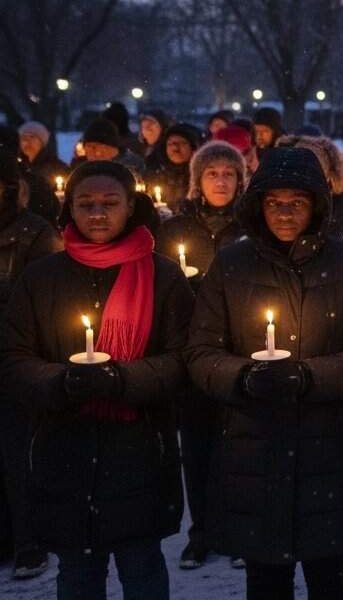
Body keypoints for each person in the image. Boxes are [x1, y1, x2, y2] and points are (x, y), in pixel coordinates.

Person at [185, 147, 343, 600]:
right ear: (257, 204)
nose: (285, 212)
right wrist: (244, 376)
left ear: (317, 203)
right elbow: (200, 351)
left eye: (297, 201)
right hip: (254, 444)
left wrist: (310, 377)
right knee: (266, 575)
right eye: (274, 202)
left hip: (329, 443)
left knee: (330, 572)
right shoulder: (232, 265)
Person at [0, 161, 193, 599]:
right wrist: (62, 381)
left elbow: (183, 359)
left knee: (142, 567)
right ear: (70, 207)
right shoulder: (42, 277)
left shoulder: (162, 276)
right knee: (78, 572)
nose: (98, 214)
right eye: (85, 204)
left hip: (140, 447)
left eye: (110, 203)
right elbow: (14, 359)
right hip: (64, 448)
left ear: (131, 207)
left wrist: (121, 379)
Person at [153, 140, 248, 570]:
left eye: (229, 173)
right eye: (212, 173)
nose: (221, 181)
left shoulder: (249, 226)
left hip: (241, 348)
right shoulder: (176, 228)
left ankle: (241, 529)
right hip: (193, 351)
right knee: (196, 446)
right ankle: (203, 531)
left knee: (242, 447)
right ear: (198, 180)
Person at [0, 153, 62, 581]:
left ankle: (28, 539)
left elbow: (40, 301)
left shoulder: (33, 233)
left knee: (18, 452)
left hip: (15, 358)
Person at [145, 124, 201, 212]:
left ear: (193, 147)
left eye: (182, 143)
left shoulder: (200, 175)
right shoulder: (153, 171)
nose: (175, 148)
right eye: (171, 143)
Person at [18, 120, 69, 186]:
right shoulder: (14, 167)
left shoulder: (57, 168)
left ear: (42, 142)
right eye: (23, 137)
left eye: (32, 137)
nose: (27, 141)